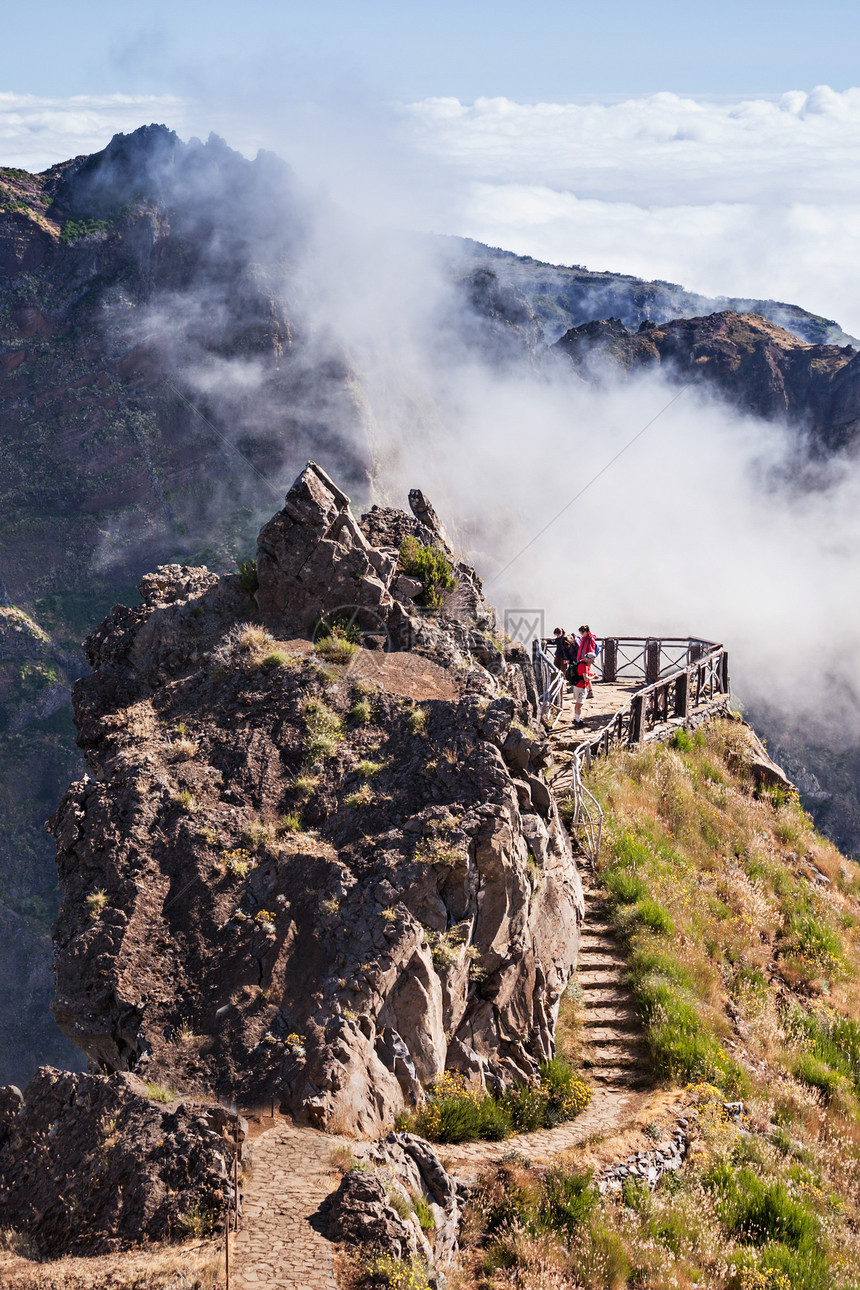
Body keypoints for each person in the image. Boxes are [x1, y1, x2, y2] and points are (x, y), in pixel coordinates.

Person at [571, 625, 598, 726]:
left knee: (578, 704)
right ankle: (577, 721)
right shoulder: (585, 639)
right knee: (579, 704)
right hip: (580, 686)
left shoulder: (589, 639)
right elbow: (585, 677)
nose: (581, 634)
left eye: (582, 632)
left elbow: (590, 650)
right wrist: (593, 677)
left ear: (585, 631)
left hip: (582, 660)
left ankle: (577, 719)